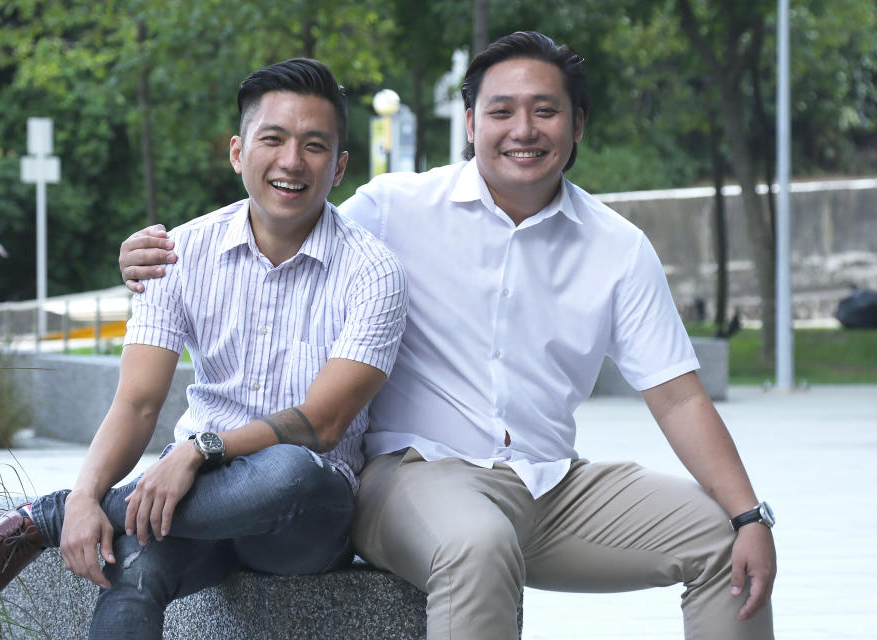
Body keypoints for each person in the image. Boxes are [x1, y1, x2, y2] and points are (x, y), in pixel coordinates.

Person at [118, 32, 776, 640]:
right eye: (501, 111)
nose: (523, 129)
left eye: (545, 111)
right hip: (412, 478)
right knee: (476, 541)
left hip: (550, 484)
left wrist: (750, 515)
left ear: (577, 125)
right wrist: (153, 255)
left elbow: (679, 398)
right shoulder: (391, 209)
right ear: (469, 124)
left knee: (721, 540)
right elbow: (284, 223)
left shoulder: (618, 248)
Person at [0, 58, 408, 639]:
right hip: (191, 497)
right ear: (239, 153)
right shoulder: (177, 253)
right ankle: (82, 507)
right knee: (132, 572)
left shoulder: (374, 272)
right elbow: (137, 404)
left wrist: (196, 452)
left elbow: (324, 423)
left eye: (314, 146)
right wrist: (94, 491)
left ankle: (49, 514)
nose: (291, 161)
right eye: (274, 139)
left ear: (338, 167)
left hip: (305, 514)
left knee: (289, 471)